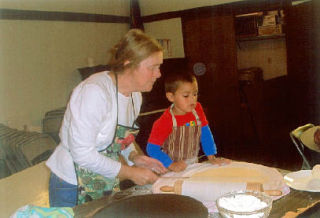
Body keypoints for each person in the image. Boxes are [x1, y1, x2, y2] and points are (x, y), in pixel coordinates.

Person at [46, 29, 167, 207]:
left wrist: (134, 156)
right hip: (72, 184)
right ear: (128, 64)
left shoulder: (135, 95)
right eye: (152, 68)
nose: (158, 74)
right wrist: (131, 173)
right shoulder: (95, 92)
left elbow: (120, 138)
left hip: (104, 179)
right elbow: (82, 153)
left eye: (159, 67)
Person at [146, 72, 230, 172]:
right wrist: (171, 164)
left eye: (195, 94)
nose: (192, 100)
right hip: (169, 169)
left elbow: (205, 133)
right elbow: (151, 148)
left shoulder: (197, 109)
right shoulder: (165, 121)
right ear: (171, 97)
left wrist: (212, 157)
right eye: (186, 96)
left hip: (193, 164)